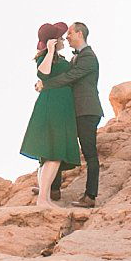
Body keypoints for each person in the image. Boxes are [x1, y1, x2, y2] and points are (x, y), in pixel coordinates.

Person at [19, 21, 80, 207]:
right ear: (52, 41)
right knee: (53, 153)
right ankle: (43, 199)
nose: (63, 40)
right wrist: (51, 50)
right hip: (52, 106)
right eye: (60, 37)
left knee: (50, 154)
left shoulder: (58, 59)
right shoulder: (46, 57)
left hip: (60, 106)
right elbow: (43, 73)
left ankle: (44, 197)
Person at [41, 20, 102, 203]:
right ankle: (53, 188)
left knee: (89, 153)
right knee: (58, 144)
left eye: (69, 34)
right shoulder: (76, 57)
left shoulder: (88, 57)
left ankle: (90, 196)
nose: (66, 37)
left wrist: (46, 84)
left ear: (79, 34)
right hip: (75, 111)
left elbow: (70, 77)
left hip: (87, 111)